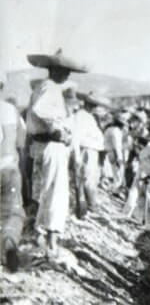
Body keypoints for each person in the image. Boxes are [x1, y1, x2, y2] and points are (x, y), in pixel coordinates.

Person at [26, 49, 88, 259]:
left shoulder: (47, 88)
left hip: (46, 145)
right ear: (55, 70)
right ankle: (50, 240)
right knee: (55, 192)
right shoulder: (50, 88)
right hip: (52, 145)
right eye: (64, 71)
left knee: (46, 190)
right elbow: (39, 110)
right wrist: (57, 130)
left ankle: (41, 234)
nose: (67, 75)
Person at [0, 70, 27, 272]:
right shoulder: (9, 110)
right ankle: (9, 244)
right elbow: (17, 143)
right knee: (13, 212)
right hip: (7, 166)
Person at [68, 89, 106, 218]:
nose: (93, 107)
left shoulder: (90, 117)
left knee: (90, 178)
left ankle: (90, 205)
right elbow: (76, 137)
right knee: (86, 179)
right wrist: (77, 155)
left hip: (92, 150)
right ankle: (89, 206)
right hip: (86, 150)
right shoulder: (81, 116)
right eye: (91, 104)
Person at [123, 127, 150, 227]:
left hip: (149, 179)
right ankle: (125, 216)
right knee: (132, 196)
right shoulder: (140, 147)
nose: (138, 140)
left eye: (141, 139)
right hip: (139, 176)